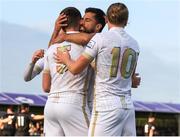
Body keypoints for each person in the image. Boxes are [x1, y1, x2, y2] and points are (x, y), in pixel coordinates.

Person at [54, 2, 139, 136]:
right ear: (126, 21)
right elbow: (132, 78)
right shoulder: (134, 43)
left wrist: (66, 59)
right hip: (127, 106)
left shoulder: (100, 38)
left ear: (106, 19)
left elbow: (75, 69)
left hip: (106, 105)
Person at [42, 7, 91, 136]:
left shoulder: (52, 48)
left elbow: (46, 86)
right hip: (73, 102)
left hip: (51, 104)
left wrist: (56, 31)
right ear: (79, 22)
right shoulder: (87, 45)